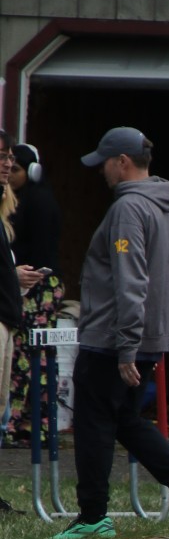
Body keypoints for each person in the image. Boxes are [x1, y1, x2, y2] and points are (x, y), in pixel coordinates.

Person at [52, 127, 169, 539]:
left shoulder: (128, 208)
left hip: (114, 338)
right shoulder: (164, 205)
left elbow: (131, 278)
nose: (102, 172)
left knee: (93, 420)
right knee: (125, 420)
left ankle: (93, 514)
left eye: (105, 163)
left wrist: (126, 344)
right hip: (147, 335)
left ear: (122, 162)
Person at [4, 142, 64, 446]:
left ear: (32, 171)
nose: (10, 174)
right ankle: (33, 424)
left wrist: (23, 281)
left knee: (25, 356)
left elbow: (37, 250)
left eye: (16, 169)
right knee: (34, 357)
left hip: (37, 286)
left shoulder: (37, 202)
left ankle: (15, 422)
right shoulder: (19, 201)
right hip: (33, 284)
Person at [0, 131, 46, 511]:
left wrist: (13, 278)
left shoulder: (4, 211)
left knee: (0, 410)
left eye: (11, 158)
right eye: (1, 156)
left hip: (5, 318)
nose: (7, 164)